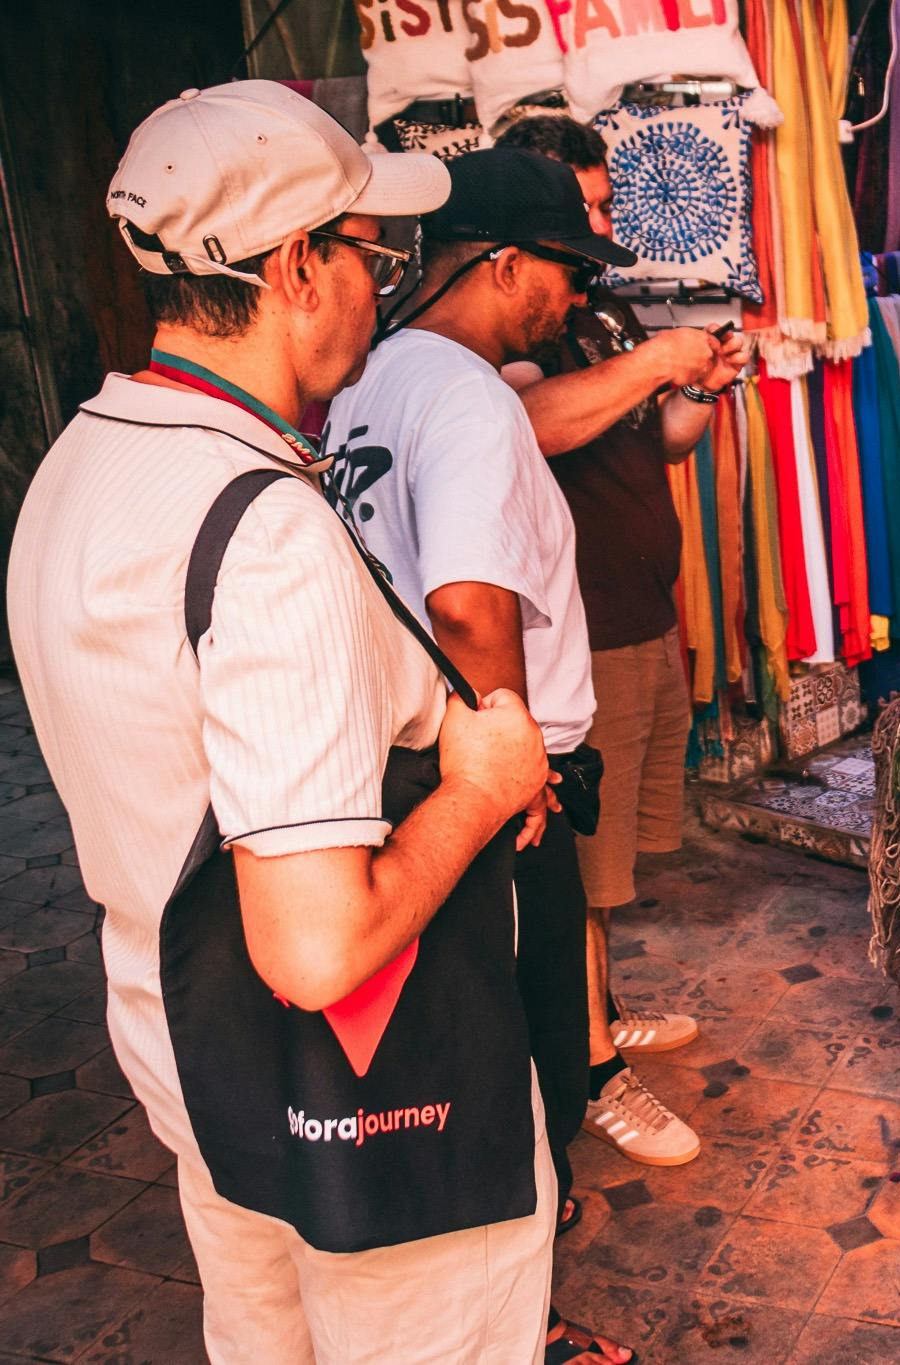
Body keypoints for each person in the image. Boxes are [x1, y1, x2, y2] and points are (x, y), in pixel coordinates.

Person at [8, 83, 557, 1360]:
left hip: (186, 1051)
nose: (385, 286)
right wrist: (480, 783)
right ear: (297, 266)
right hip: (363, 1094)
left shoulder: (81, 459)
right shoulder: (265, 535)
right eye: (374, 254)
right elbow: (314, 952)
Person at [320, 147, 648, 1365]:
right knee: (534, 1067)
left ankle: (506, 1308)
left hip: (408, 768)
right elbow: (465, 603)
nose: (572, 299)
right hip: (491, 780)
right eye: (566, 271)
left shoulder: (366, 377)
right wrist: (514, 761)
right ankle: (522, 1326)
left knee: (460, 1060)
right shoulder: (463, 396)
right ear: (505, 264)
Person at [492, 115, 745, 1177]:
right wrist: (651, 365)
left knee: (618, 863)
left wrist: (697, 387)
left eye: (603, 203)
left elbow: (665, 446)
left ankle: (600, 1009)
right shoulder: (507, 333)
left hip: (643, 614)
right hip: (574, 633)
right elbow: (530, 427)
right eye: (584, 208)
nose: (601, 226)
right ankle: (591, 1068)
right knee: (582, 870)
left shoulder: (602, 311)